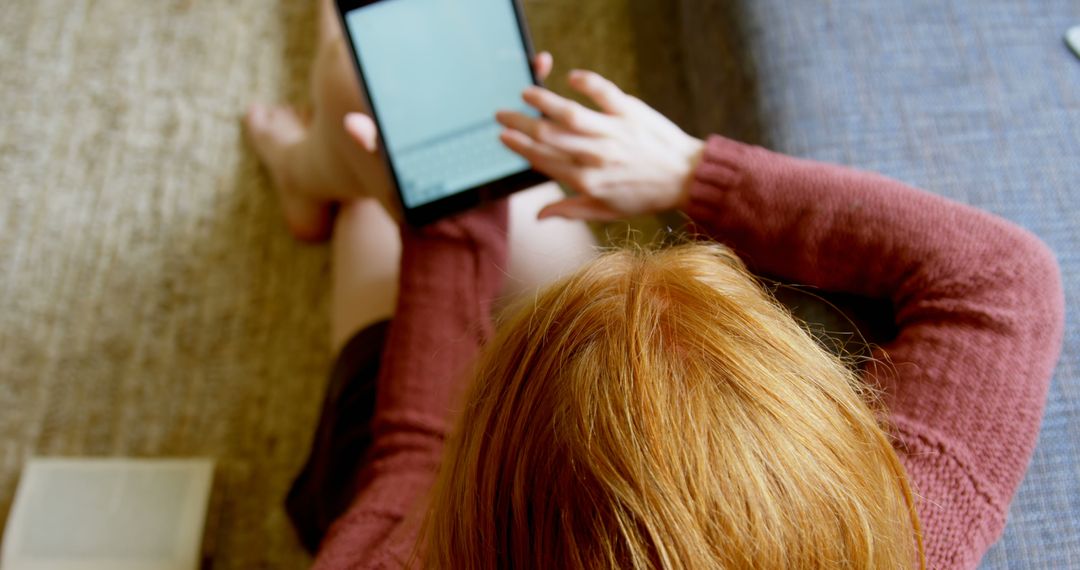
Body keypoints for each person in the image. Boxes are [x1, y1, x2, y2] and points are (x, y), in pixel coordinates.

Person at [244, 1, 1065, 568]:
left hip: (399, 469)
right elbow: (1000, 284)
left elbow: (415, 453)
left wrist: (443, 212)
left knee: (369, 102)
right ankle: (330, 168)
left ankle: (303, 170)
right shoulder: (888, 539)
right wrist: (690, 171)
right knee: (432, 133)